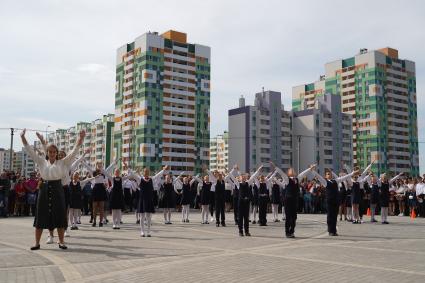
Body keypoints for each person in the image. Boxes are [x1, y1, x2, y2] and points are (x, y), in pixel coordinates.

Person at [21, 128, 85, 250]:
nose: (51, 153)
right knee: (40, 216)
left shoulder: (63, 162)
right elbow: (30, 151)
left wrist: (80, 139)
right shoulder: (41, 161)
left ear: (56, 153)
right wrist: (23, 137)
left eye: (54, 152)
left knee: (60, 216)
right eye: (49, 151)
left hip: (58, 189)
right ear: (47, 152)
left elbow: (74, 152)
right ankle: (37, 243)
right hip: (44, 189)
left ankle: (61, 242)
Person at [312, 168, 357, 236]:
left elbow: (344, 177)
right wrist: (312, 170)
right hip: (329, 201)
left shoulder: (336, 180)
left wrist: (352, 173)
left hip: (336, 201)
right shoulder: (325, 182)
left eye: (330, 173)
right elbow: (318, 176)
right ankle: (330, 230)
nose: (329, 174)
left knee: (335, 216)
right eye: (328, 174)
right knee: (330, 216)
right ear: (325, 176)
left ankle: (334, 230)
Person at [130, 166, 168, 237]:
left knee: (148, 217)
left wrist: (163, 170)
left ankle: (148, 231)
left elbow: (158, 175)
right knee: (142, 216)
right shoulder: (140, 179)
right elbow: (133, 174)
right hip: (142, 200)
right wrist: (126, 167)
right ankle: (142, 231)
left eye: (147, 172)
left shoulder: (151, 179)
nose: (146, 173)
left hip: (149, 199)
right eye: (145, 172)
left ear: (149, 173)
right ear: (143, 173)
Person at [281, 165, 315, 238]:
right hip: (288, 200)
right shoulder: (287, 179)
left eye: (293, 170)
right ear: (288, 173)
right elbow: (282, 173)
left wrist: (310, 169)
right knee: (288, 217)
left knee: (294, 217)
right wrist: (275, 167)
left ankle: (292, 231)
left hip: (294, 200)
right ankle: (287, 232)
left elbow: (304, 173)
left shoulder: (297, 179)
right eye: (291, 170)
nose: (292, 170)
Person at [228, 165, 262, 237]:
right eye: (241, 177)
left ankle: (247, 231)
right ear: (240, 179)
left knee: (246, 218)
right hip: (240, 202)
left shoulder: (248, 183)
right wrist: (229, 171)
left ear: (245, 178)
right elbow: (232, 177)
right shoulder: (238, 184)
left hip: (246, 202)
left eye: (244, 177)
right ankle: (240, 231)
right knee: (240, 217)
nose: (243, 178)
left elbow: (254, 176)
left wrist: (258, 169)